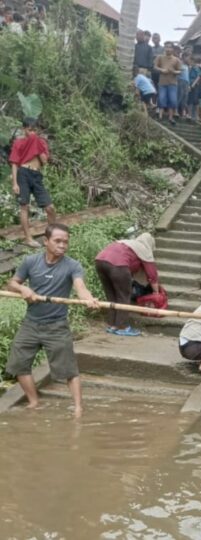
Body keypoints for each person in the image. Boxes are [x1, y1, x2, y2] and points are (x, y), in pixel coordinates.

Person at [6, 224, 99, 417]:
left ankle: (78, 409)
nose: (62, 245)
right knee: (18, 363)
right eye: (58, 241)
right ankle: (34, 402)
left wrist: (88, 298)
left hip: (57, 326)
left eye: (65, 241)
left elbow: (80, 287)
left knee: (68, 369)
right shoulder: (30, 262)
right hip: (30, 323)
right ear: (46, 242)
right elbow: (13, 282)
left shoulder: (72, 265)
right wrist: (23, 289)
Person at [94, 233, 159, 337]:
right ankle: (122, 327)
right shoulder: (144, 249)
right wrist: (156, 292)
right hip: (118, 265)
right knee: (123, 296)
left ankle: (112, 325)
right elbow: (152, 274)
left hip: (100, 261)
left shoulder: (127, 243)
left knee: (111, 296)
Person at [9, 117, 55, 248]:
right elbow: (14, 163)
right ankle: (28, 238)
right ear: (24, 129)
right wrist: (15, 183)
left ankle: (52, 234)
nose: (32, 133)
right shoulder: (19, 142)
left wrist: (39, 149)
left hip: (36, 175)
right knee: (24, 207)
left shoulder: (40, 142)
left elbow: (45, 161)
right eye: (29, 130)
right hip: (23, 173)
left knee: (50, 207)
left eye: (34, 130)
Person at [154, 41, 181, 124]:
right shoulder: (160, 57)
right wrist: (162, 70)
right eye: (166, 47)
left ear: (172, 49)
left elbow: (180, 71)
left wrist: (173, 71)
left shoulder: (176, 60)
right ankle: (160, 117)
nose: (168, 49)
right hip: (162, 82)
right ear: (164, 48)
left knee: (172, 100)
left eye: (170, 47)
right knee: (161, 99)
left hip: (172, 83)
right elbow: (155, 67)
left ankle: (170, 118)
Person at [177, 53, 191, 119]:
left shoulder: (187, 66)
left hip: (186, 82)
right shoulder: (179, 63)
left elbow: (187, 76)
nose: (189, 59)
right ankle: (176, 111)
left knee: (185, 98)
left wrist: (189, 85)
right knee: (180, 96)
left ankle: (182, 113)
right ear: (184, 57)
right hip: (180, 81)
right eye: (188, 58)